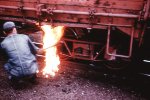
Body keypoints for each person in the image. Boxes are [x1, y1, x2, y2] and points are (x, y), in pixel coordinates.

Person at [1, 21, 44, 86]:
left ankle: (16, 81)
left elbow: (5, 58)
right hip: (31, 71)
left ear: (4, 32)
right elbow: (37, 51)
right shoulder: (25, 37)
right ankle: (32, 78)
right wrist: (42, 49)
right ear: (14, 29)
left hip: (16, 74)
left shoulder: (3, 44)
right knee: (32, 54)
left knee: (7, 62)